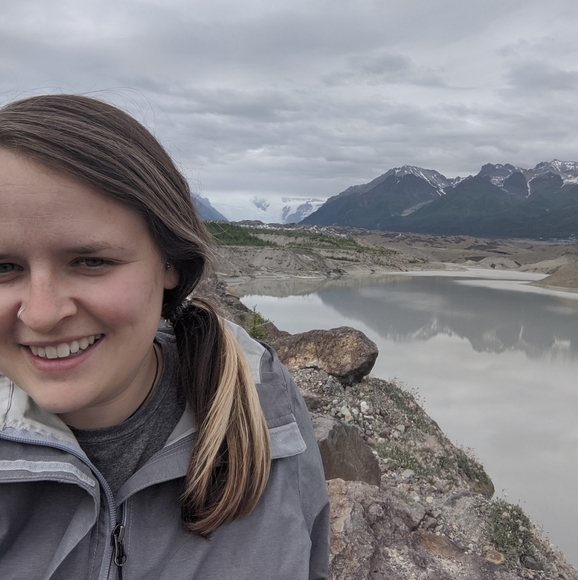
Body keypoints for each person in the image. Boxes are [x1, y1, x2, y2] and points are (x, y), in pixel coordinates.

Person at [0, 94, 330, 580]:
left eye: (92, 261)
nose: (43, 314)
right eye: (3, 267)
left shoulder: (264, 401)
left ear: (170, 262)